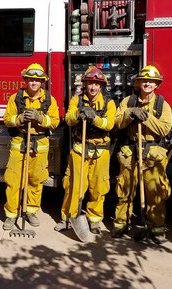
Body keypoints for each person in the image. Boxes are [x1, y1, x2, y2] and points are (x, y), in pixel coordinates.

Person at [112, 65, 172, 244]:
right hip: (130, 152)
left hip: (153, 154)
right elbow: (117, 122)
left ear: (156, 85)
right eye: (144, 80)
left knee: (155, 193)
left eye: (151, 81)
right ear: (138, 83)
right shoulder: (128, 102)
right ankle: (121, 223)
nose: (147, 83)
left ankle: (156, 227)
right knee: (125, 190)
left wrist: (147, 117)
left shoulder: (163, 105)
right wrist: (131, 113)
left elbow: (164, 129)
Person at [55, 66, 116, 234]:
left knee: (98, 187)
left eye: (96, 84)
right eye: (89, 83)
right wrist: (78, 114)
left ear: (101, 86)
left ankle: (94, 220)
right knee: (74, 186)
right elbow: (67, 119)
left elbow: (109, 124)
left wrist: (94, 118)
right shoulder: (77, 100)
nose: (92, 87)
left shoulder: (109, 103)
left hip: (101, 151)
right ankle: (68, 217)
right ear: (84, 84)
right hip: (80, 149)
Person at [2, 63, 60, 230]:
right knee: (13, 181)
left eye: (37, 80)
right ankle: (11, 215)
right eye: (31, 79)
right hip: (19, 143)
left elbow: (55, 122)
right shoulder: (16, 98)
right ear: (26, 80)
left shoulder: (49, 100)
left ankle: (30, 211)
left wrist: (40, 118)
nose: (34, 83)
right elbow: (7, 119)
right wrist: (19, 119)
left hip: (39, 145)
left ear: (42, 82)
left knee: (35, 180)